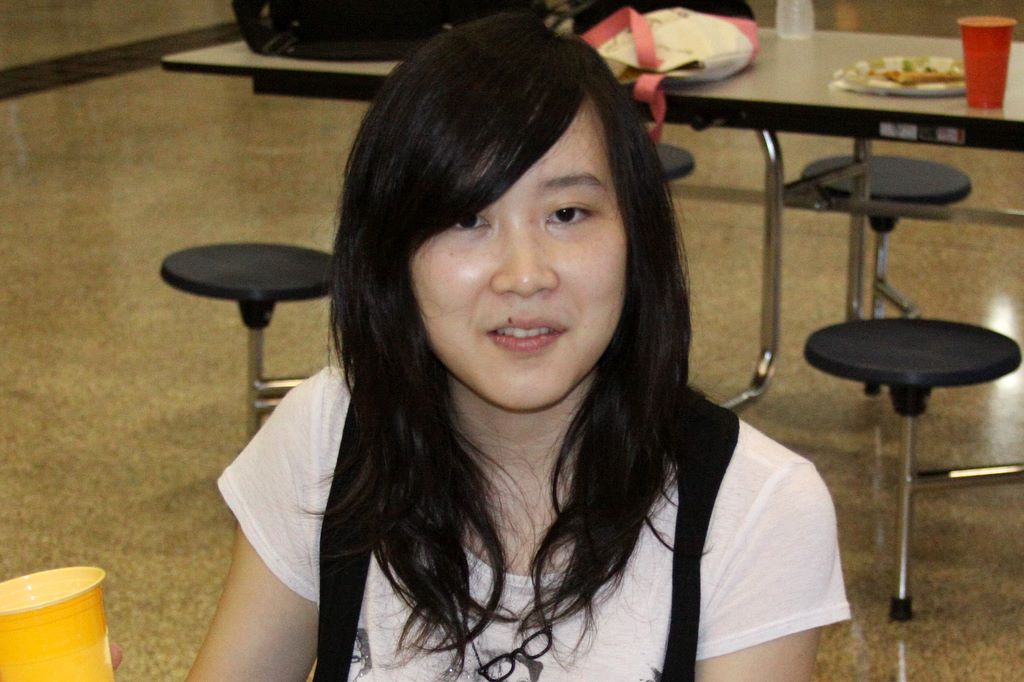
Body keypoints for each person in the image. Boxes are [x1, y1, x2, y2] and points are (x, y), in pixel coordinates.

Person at [186, 11, 849, 681]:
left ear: (636, 234)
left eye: (567, 214)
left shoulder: (755, 510)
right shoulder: (327, 435)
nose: (525, 275)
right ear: (390, 252)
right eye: (466, 218)